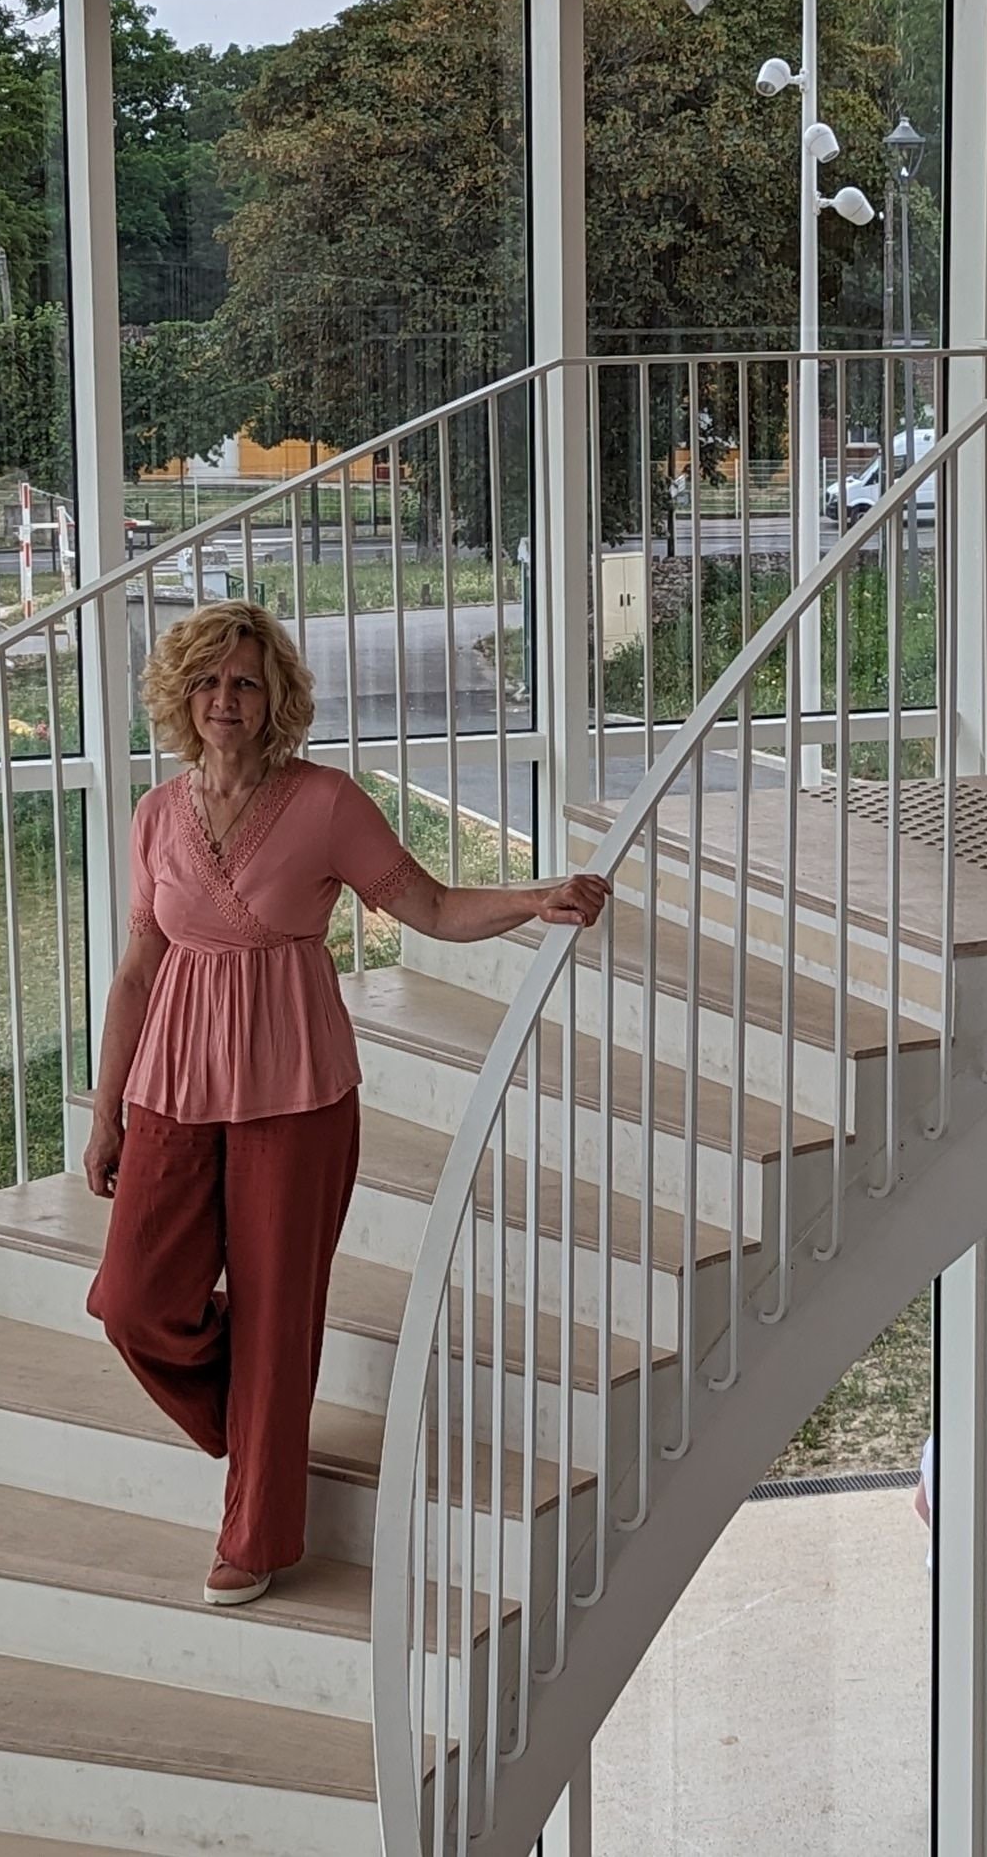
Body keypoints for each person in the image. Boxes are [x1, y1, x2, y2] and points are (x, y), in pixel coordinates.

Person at [83, 601, 608, 1605]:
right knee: (133, 1302)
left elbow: (435, 906)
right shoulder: (156, 813)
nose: (224, 701)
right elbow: (140, 970)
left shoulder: (326, 803)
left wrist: (535, 896)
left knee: (282, 1317)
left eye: (244, 682)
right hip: (172, 1087)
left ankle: (257, 1534)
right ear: (180, 697)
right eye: (207, 682)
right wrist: (107, 1111)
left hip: (297, 1089)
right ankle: (257, 1423)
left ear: (275, 696)